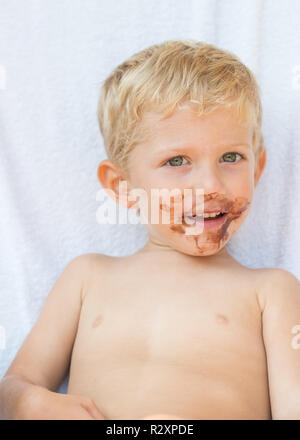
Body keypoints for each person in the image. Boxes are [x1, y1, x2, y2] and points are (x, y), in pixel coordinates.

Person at [1, 39, 300, 420]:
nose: (210, 184)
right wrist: (28, 402)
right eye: (177, 161)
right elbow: (17, 382)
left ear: (257, 169)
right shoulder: (87, 277)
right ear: (121, 186)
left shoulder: (270, 291)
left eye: (231, 157)